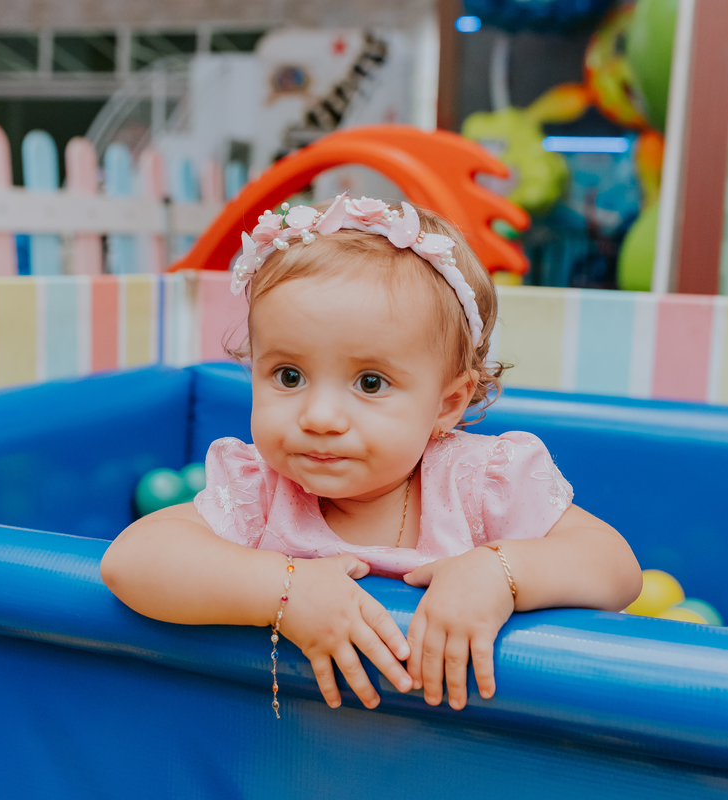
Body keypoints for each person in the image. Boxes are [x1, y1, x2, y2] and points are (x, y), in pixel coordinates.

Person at [101, 194, 642, 715]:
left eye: (370, 382)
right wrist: (281, 589)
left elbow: (616, 568)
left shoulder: (479, 483)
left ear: (446, 404)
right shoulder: (262, 492)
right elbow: (131, 561)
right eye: (288, 376)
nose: (320, 417)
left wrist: (501, 572)